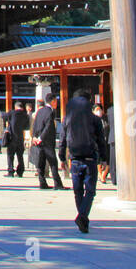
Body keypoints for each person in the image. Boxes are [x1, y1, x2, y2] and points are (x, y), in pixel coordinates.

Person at [59, 87, 106, 233]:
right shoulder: (95, 119)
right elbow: (101, 141)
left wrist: (62, 157)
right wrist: (104, 159)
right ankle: (83, 216)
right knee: (90, 190)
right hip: (90, 157)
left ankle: (82, 218)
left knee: (77, 191)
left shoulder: (67, 119)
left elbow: (62, 140)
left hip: (74, 158)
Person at [32, 95, 66, 190]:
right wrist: (41, 138)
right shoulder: (50, 112)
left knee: (41, 163)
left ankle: (42, 183)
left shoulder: (40, 110)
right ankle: (57, 183)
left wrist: (34, 136)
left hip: (39, 141)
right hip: (46, 141)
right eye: (56, 101)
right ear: (53, 101)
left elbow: (35, 124)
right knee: (53, 162)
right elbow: (48, 126)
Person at [4, 102, 29, 177]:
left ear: (15, 107)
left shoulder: (12, 113)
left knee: (10, 155)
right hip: (20, 138)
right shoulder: (25, 115)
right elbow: (27, 127)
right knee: (20, 156)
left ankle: (10, 171)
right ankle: (20, 171)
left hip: (12, 137)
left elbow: (3, 116)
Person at [104, 102, 118, 187]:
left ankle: (114, 178)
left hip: (113, 136)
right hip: (122, 136)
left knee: (113, 159)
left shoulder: (110, 110)